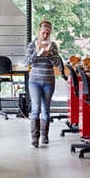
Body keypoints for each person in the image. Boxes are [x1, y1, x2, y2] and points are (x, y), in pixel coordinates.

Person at [25, 20, 61, 148]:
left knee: (46, 109)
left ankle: (45, 135)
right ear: (38, 32)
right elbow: (28, 62)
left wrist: (49, 55)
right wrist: (37, 51)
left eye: (48, 33)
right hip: (34, 80)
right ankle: (35, 137)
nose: (45, 35)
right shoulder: (31, 45)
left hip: (48, 80)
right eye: (43, 33)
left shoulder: (53, 46)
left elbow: (57, 63)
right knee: (36, 108)